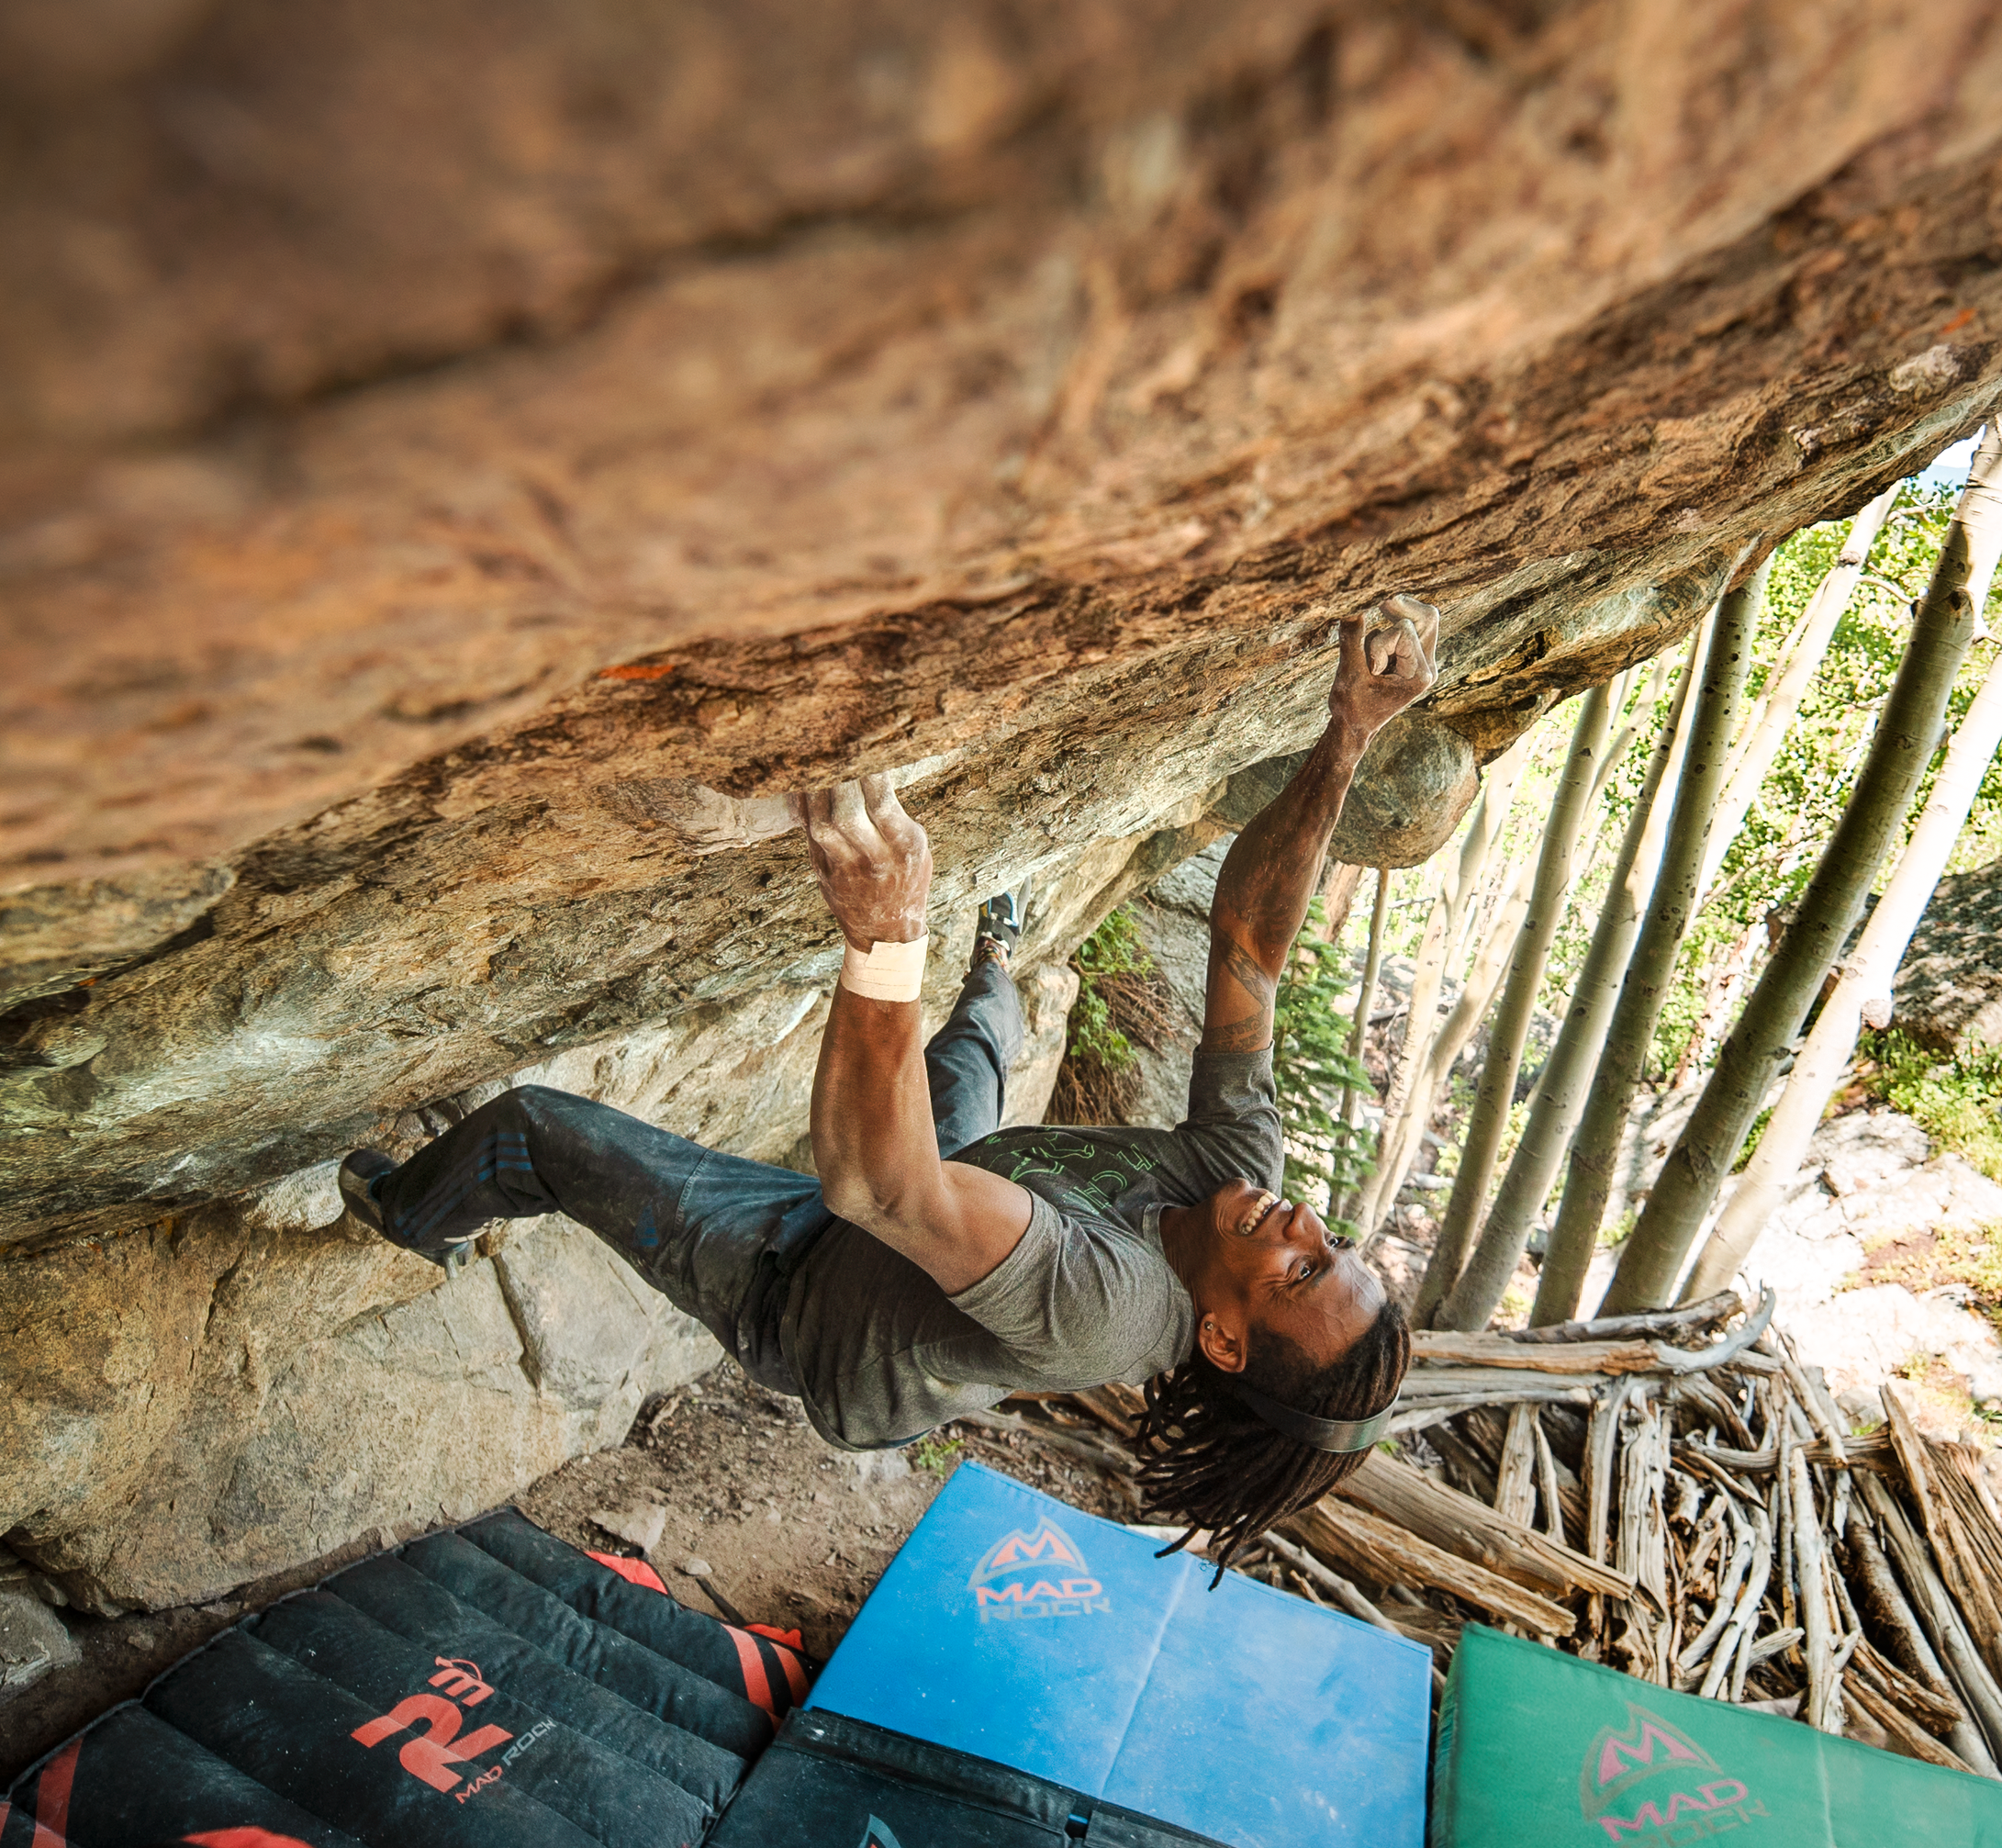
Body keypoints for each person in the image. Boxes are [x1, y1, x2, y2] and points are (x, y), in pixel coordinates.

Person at [337, 597, 1441, 1568]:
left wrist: (884, 940)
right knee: (972, 1052)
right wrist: (1347, 738)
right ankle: (997, 960)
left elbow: (879, 1191)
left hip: (809, 1296)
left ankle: (406, 1215)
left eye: (1298, 1271)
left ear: (1224, 1342)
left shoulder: (1114, 1309)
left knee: (531, 1129)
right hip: (952, 1201)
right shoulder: (1240, 1182)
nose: (1302, 1224)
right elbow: (1248, 942)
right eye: (1329, 1244)